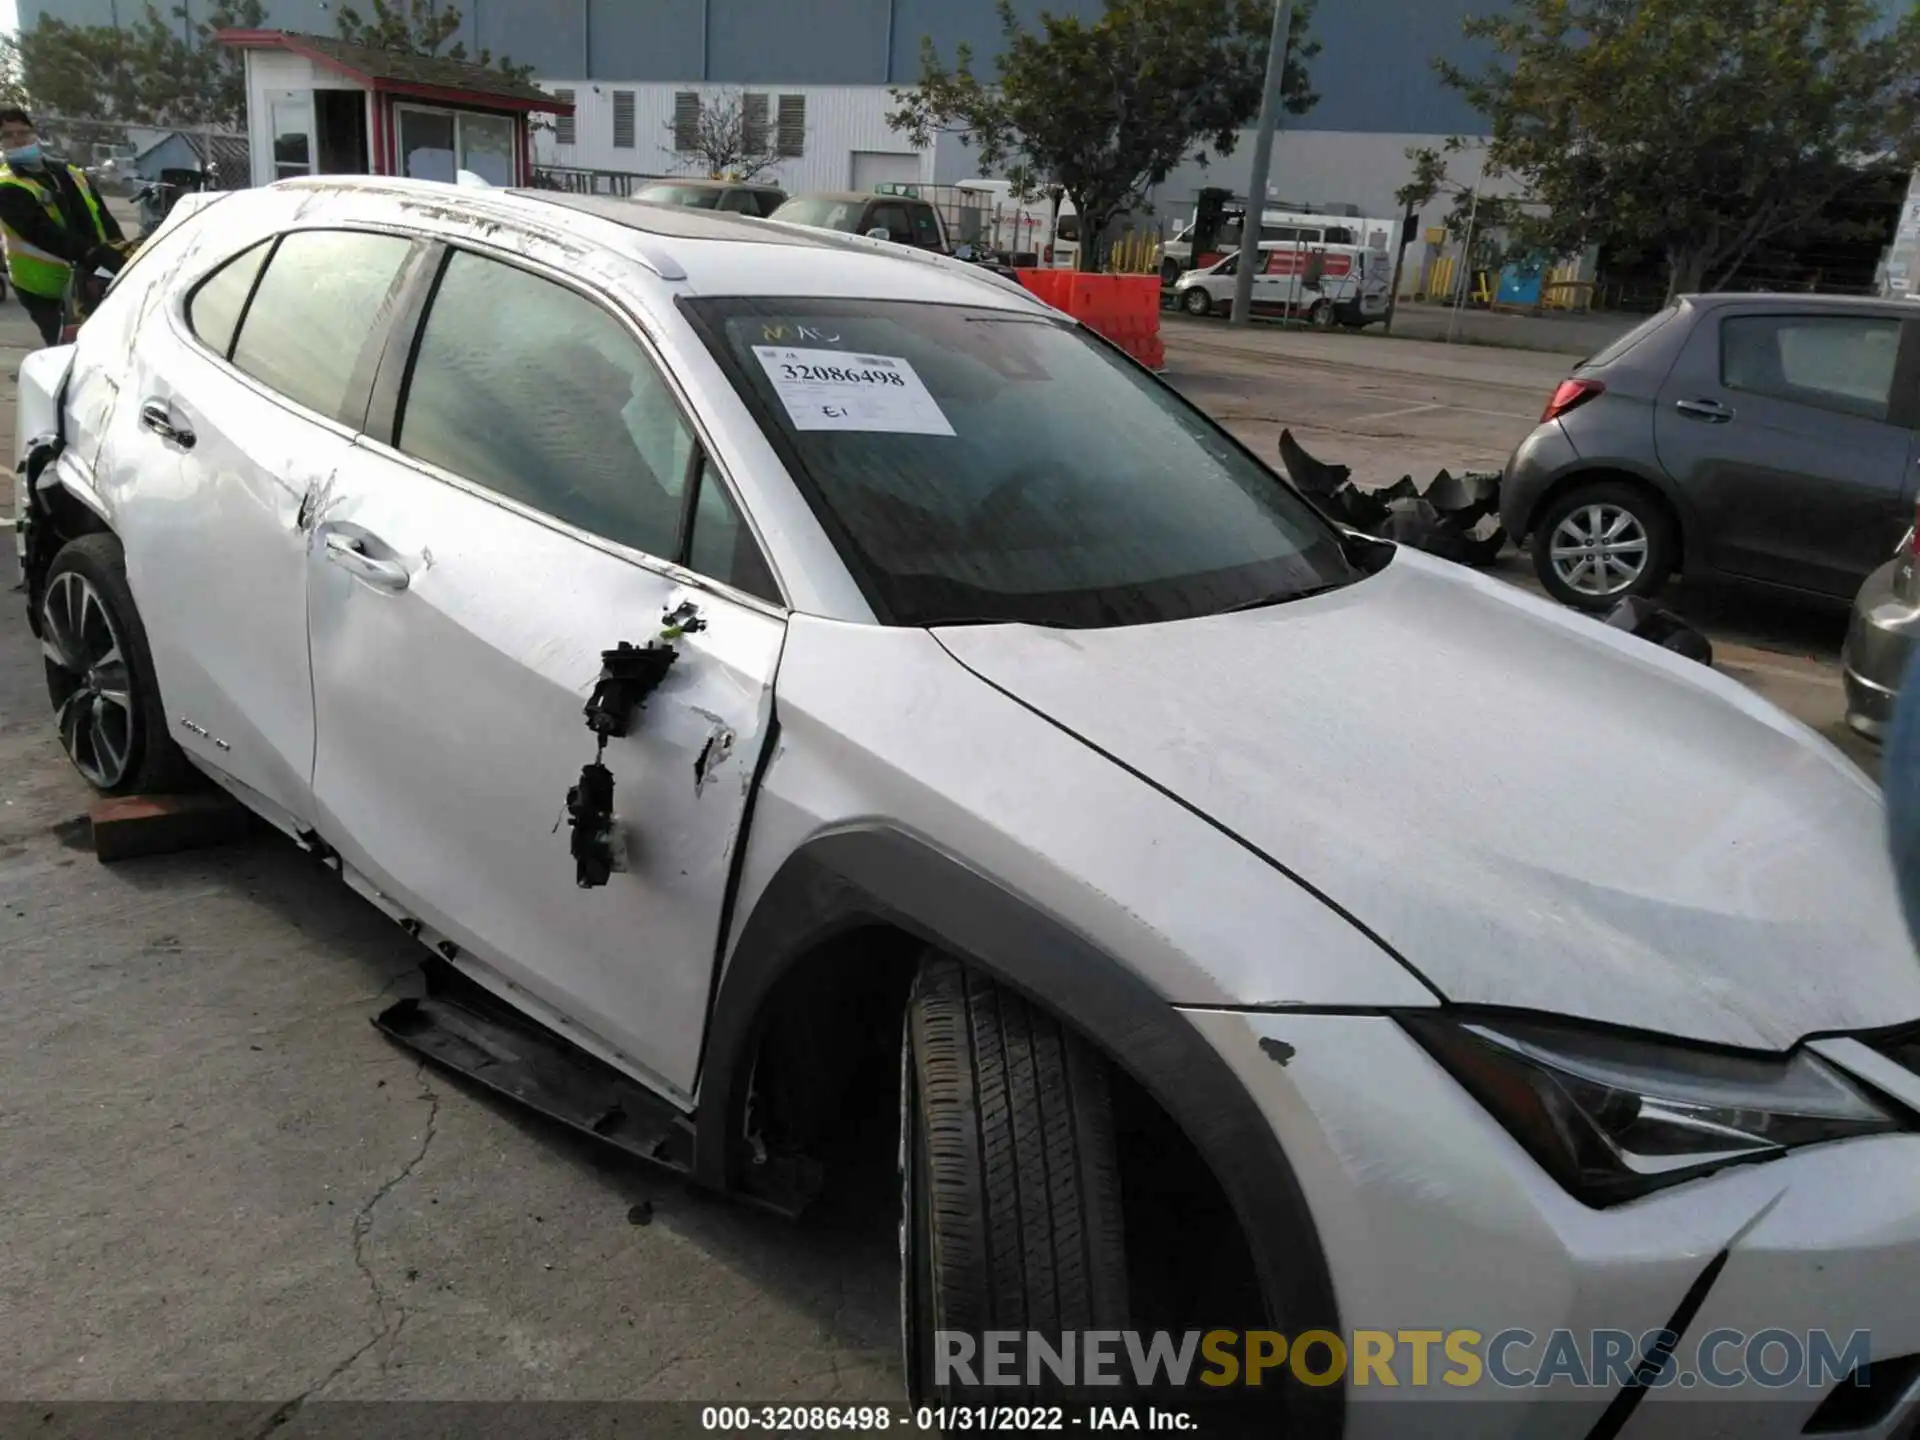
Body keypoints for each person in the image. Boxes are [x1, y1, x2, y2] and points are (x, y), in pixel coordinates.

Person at [0, 108, 124, 345]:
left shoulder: (69, 172)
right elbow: (41, 232)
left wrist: (118, 248)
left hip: (90, 274)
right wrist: (91, 253)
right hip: (43, 285)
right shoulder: (6, 185)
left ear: (34, 133)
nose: (17, 139)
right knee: (65, 348)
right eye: (7, 135)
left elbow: (102, 215)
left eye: (23, 132)